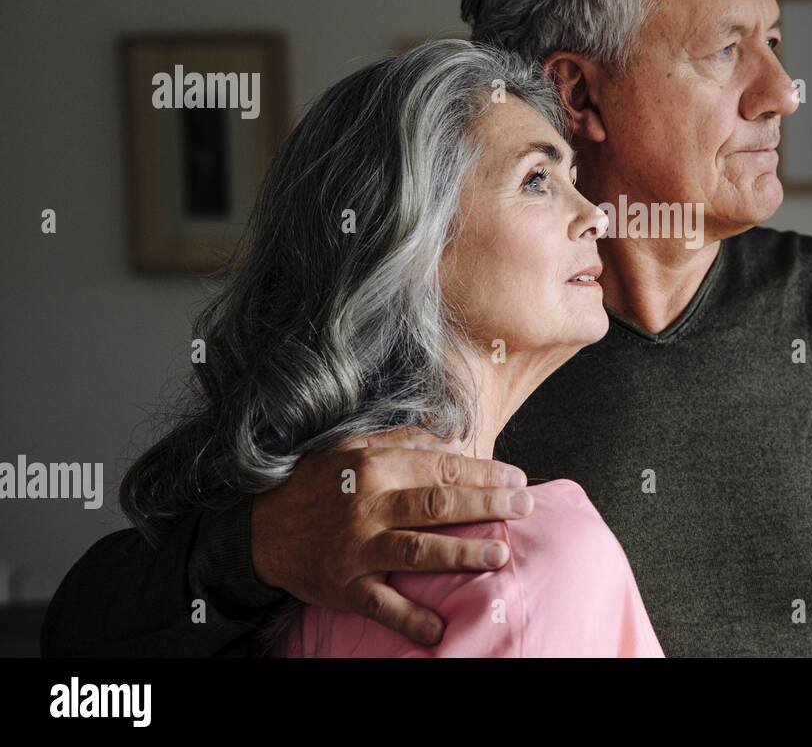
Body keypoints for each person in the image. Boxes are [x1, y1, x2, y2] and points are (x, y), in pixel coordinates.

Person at [43, 0, 812, 658]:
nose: (782, 91)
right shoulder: (452, 363)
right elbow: (80, 653)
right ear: (579, 97)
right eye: (727, 52)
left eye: (777, 42)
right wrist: (256, 545)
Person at [52, 39, 664, 657]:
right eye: (536, 180)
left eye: (574, 178)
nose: (597, 216)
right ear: (407, 245)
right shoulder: (526, 557)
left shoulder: (288, 555)